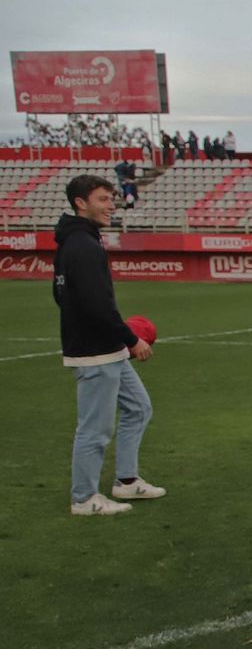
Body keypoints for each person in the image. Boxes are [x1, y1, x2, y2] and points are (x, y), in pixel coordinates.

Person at [54, 175, 164, 516]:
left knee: (139, 407)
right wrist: (131, 338)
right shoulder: (81, 246)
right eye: (103, 199)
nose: (111, 205)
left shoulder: (81, 241)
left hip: (106, 347)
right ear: (80, 203)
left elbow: (61, 294)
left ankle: (127, 481)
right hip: (95, 352)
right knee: (95, 428)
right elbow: (95, 304)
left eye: (111, 198)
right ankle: (84, 499)